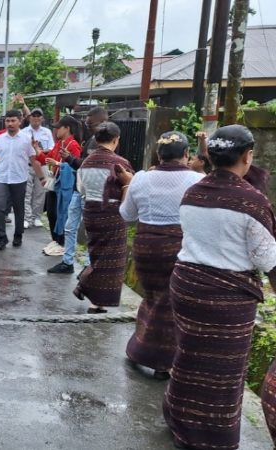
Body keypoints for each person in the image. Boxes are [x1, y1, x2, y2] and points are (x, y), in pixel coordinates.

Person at [163, 125, 276, 450]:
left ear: (209, 155)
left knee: (188, 356)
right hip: (227, 298)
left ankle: (179, 420)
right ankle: (210, 438)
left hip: (186, 286)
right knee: (222, 371)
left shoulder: (193, 192)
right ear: (247, 155)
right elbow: (268, 259)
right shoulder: (251, 201)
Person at [116, 131, 204, 379]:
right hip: (179, 249)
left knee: (153, 298)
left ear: (158, 154)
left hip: (145, 248)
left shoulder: (141, 178)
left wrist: (126, 184)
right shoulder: (197, 180)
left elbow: (127, 215)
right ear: (186, 155)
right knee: (171, 303)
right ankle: (164, 361)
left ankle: (140, 349)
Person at [72, 122, 133, 313]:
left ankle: (95, 300)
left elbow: (80, 189)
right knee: (111, 259)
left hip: (90, 212)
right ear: (116, 140)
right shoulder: (121, 163)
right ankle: (86, 285)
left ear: (96, 140)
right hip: (113, 213)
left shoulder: (86, 162)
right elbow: (131, 191)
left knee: (97, 255)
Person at [48, 109, 107, 274]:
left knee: (90, 230)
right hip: (79, 189)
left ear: (103, 122)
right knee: (69, 226)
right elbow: (82, 164)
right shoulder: (90, 140)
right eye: (87, 124)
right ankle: (68, 262)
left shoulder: (106, 143)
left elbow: (91, 165)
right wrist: (69, 159)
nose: (88, 127)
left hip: (93, 193)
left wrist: (69, 159)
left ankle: (89, 266)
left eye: (91, 124)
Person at [0, 110, 43, 249]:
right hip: (1, 178)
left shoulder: (26, 139)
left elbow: (33, 159)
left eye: (13, 121)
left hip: (19, 178)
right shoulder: (0, 139)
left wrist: (41, 177)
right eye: (7, 121)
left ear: (20, 121)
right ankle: (2, 237)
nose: (10, 123)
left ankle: (18, 235)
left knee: (19, 208)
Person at [36, 115, 81, 256]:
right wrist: (38, 151)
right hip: (55, 182)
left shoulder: (73, 145)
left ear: (67, 128)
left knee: (61, 212)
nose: (56, 131)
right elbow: (48, 159)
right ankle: (56, 239)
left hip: (64, 184)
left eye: (59, 128)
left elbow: (75, 165)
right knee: (51, 212)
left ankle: (61, 242)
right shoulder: (59, 143)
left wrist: (57, 164)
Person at [22, 108, 54, 230]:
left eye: (38, 116)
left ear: (42, 118)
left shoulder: (47, 132)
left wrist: (40, 150)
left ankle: (36, 217)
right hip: (28, 164)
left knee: (40, 192)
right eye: (33, 116)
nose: (36, 119)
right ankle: (26, 218)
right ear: (29, 118)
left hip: (42, 164)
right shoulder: (24, 132)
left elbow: (51, 147)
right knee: (26, 192)